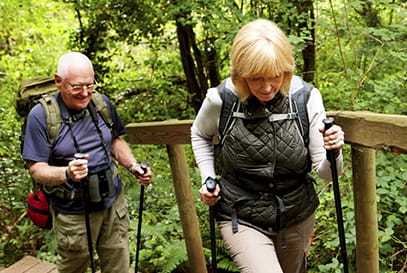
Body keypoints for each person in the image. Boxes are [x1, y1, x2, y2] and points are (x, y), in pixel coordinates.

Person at [191, 19, 344, 273]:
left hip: (296, 213)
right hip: (241, 214)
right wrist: (208, 178)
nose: (267, 87)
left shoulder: (306, 99)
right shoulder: (221, 99)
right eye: (256, 79)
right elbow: (199, 133)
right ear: (240, 75)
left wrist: (334, 151)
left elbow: (328, 173)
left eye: (275, 76)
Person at [22, 51, 152, 273]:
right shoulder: (40, 116)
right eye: (76, 87)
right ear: (58, 82)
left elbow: (115, 141)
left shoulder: (101, 103)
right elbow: (37, 169)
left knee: (119, 266)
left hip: (112, 203)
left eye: (90, 85)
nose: (85, 93)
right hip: (73, 211)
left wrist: (133, 166)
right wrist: (67, 173)